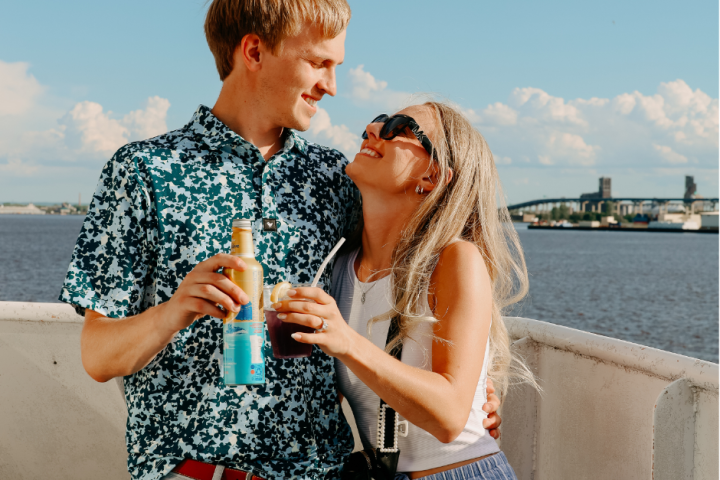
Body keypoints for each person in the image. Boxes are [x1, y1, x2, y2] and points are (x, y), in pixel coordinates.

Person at [58, 2, 502, 479]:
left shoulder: (336, 179)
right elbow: (98, 355)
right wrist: (175, 309)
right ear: (254, 50)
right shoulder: (143, 172)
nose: (331, 86)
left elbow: (417, 252)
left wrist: (474, 388)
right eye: (319, 63)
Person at [274, 102, 537, 479]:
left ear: (430, 178)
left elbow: (448, 416)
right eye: (379, 119)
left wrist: (345, 340)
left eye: (400, 126)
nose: (372, 128)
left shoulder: (453, 260)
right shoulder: (338, 269)